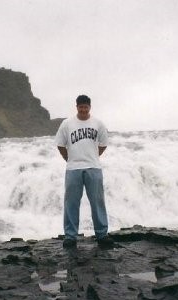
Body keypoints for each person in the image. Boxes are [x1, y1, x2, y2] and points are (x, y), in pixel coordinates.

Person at [55, 95, 114, 249]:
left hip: (93, 168)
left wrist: (93, 156)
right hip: (73, 169)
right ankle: (70, 236)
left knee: (97, 202)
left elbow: (103, 144)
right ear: (77, 107)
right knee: (71, 203)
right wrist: (68, 158)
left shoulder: (98, 123)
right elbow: (60, 144)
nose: (83, 109)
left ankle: (102, 234)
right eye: (80, 107)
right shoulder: (67, 124)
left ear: (89, 107)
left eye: (85, 107)